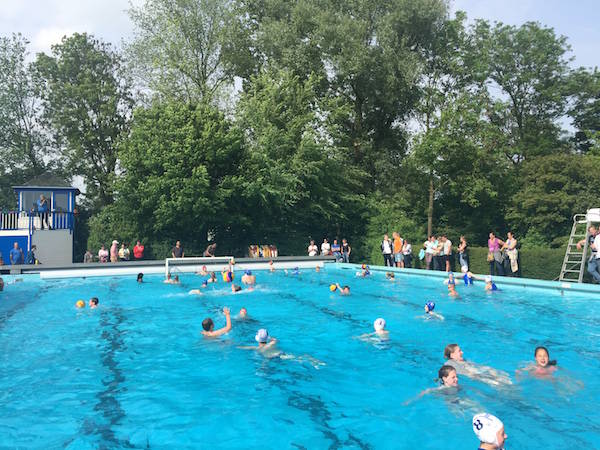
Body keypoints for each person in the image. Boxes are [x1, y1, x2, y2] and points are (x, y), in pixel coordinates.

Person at [444, 344, 512, 386]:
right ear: (452, 355)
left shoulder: (464, 360)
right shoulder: (450, 364)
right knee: (497, 383)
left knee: (498, 375)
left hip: (479, 374)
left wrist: (489, 370)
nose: (462, 352)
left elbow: (476, 366)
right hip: (475, 377)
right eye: (459, 351)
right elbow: (467, 374)